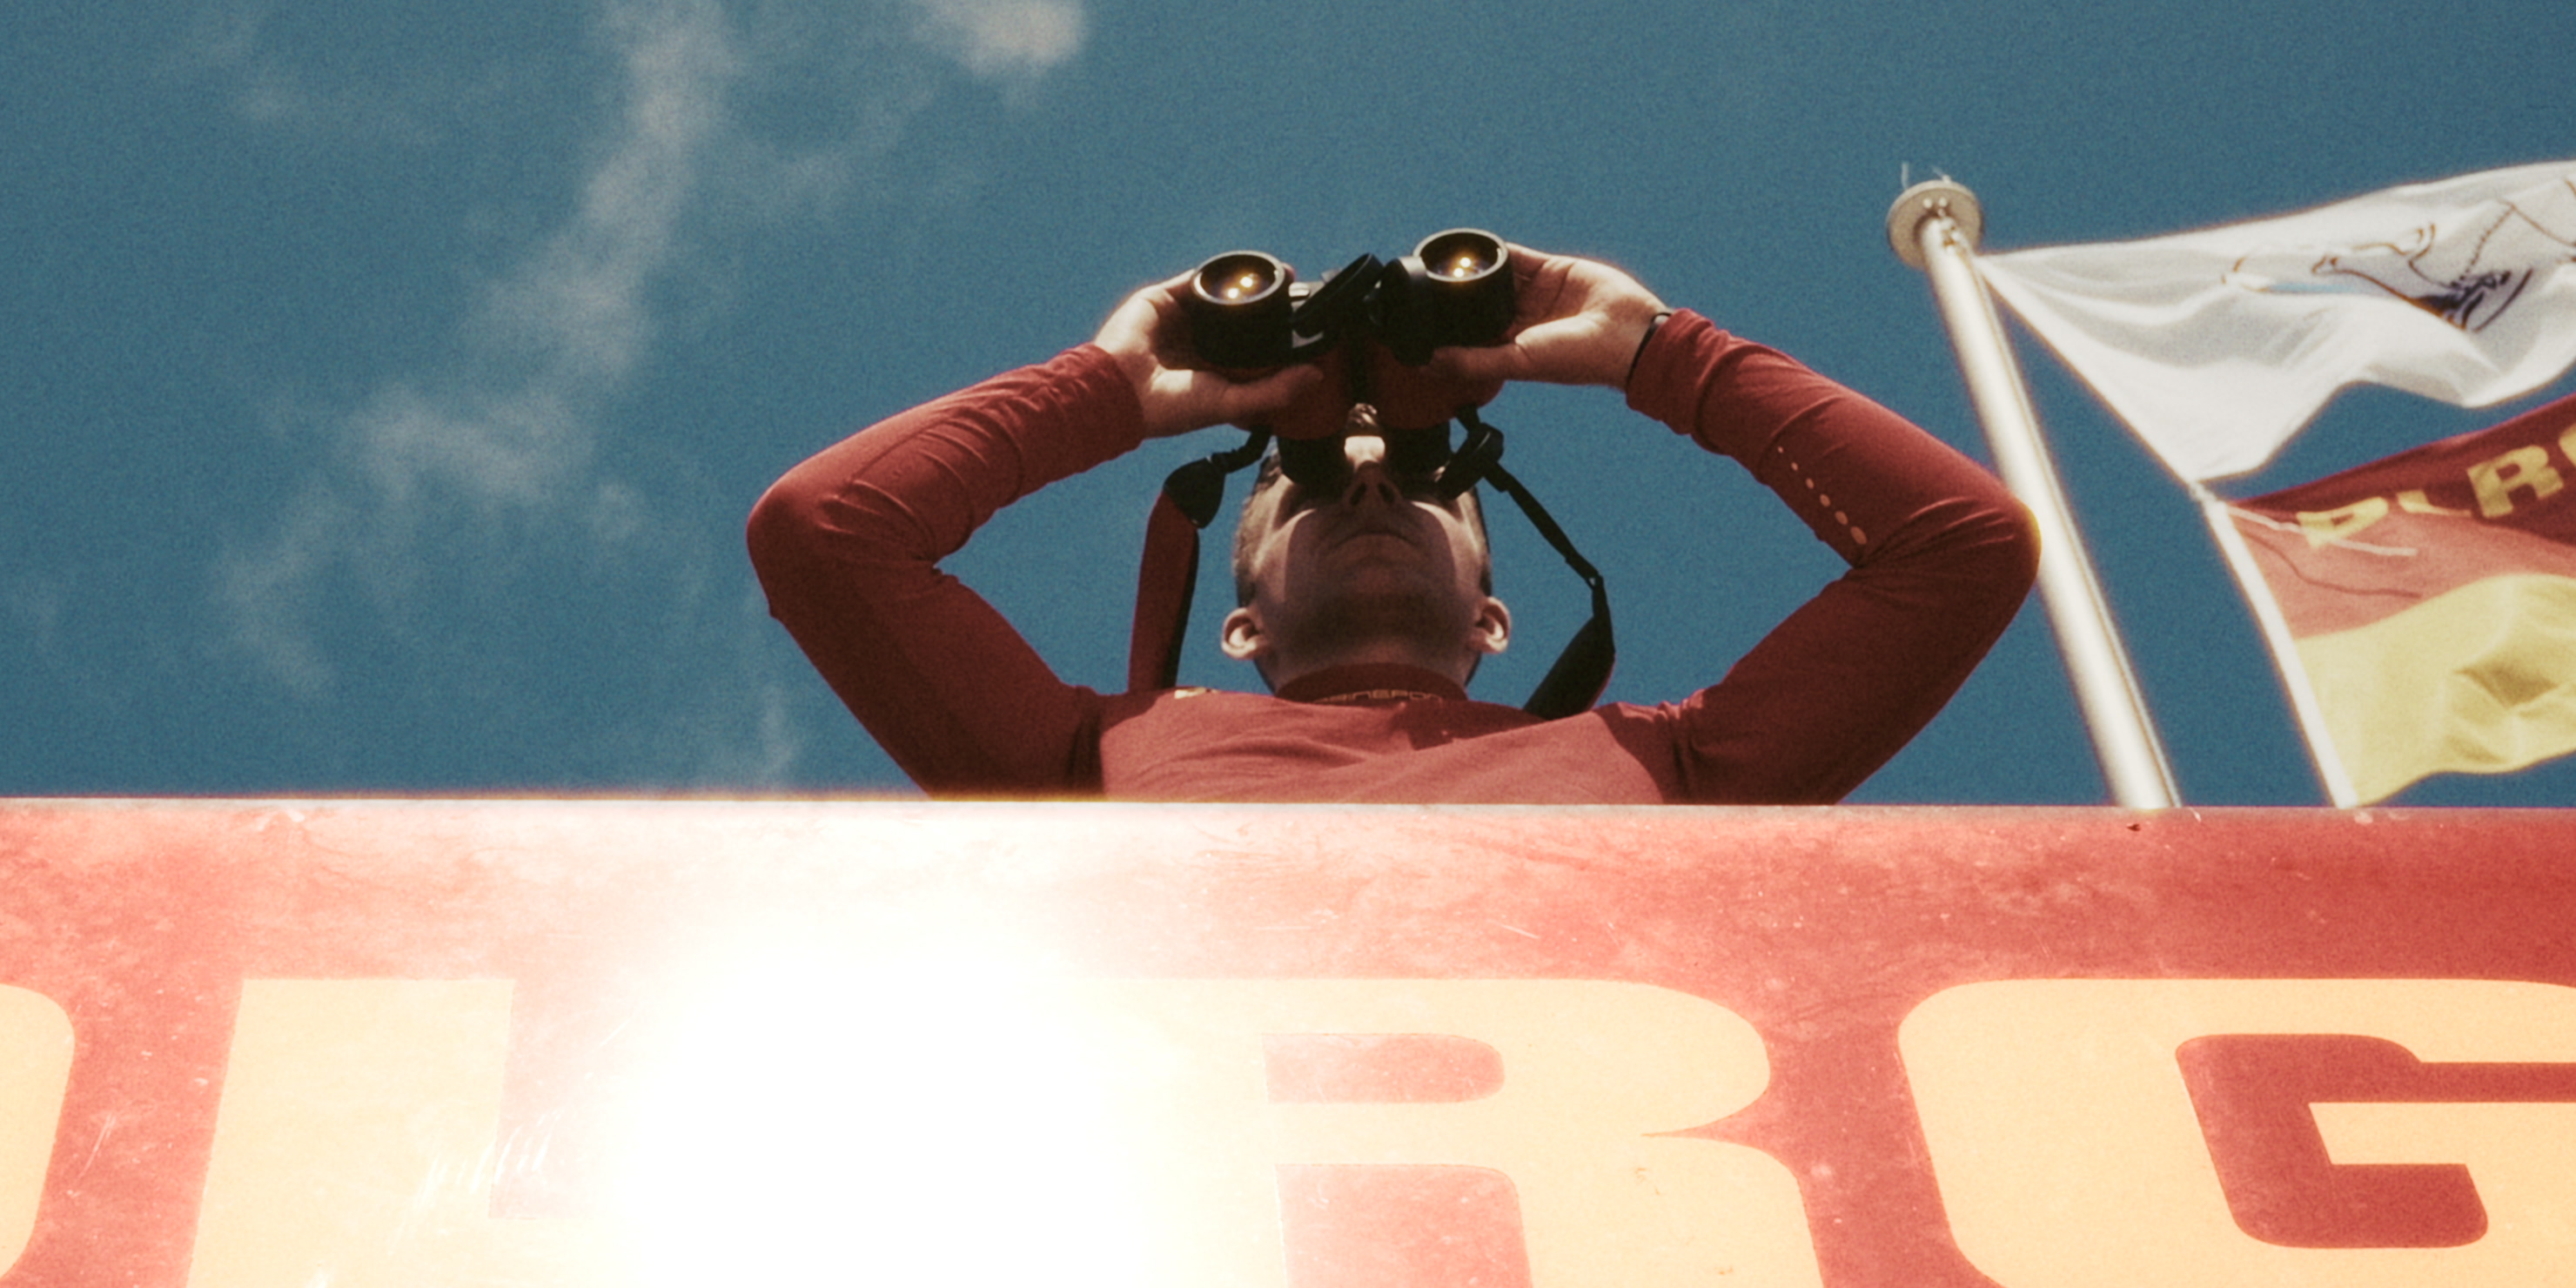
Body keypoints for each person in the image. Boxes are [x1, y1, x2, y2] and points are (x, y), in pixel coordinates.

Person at [748, 239, 2036, 802]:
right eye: (1301, 486)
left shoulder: (1673, 764)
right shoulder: (1089, 760)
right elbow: (824, 532)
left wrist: (1653, 348)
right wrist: (1113, 389)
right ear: (1240, 627)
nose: (1369, 479)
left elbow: (1967, 543)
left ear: (1494, 615)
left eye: (1428, 480)